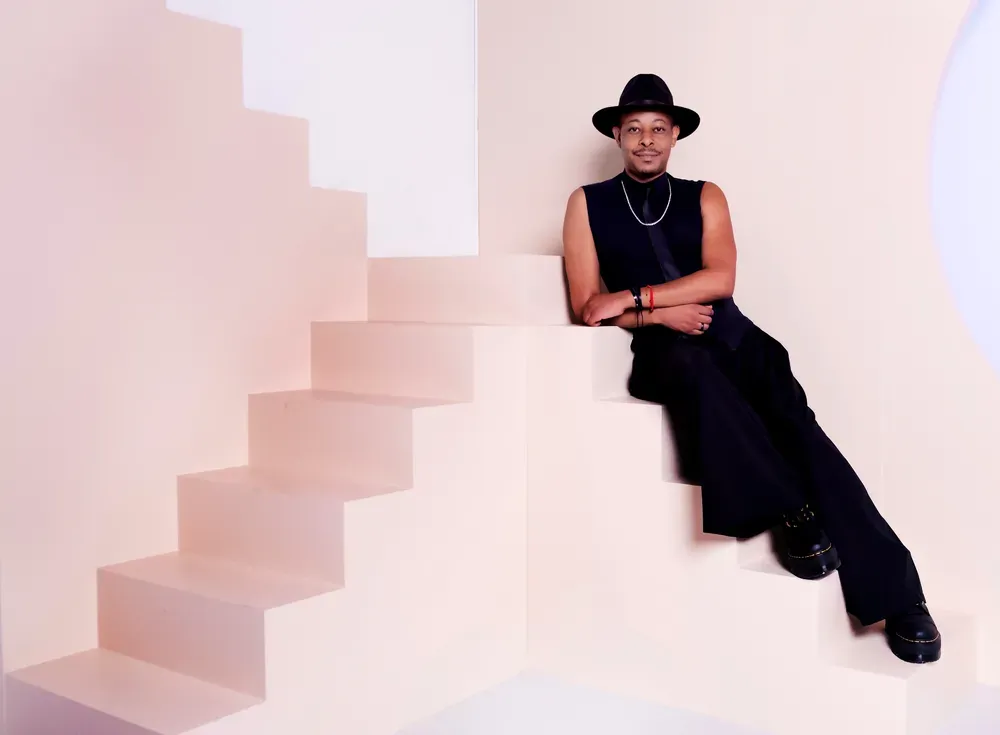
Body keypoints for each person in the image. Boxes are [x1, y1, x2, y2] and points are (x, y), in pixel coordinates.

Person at [561, 73, 941, 664]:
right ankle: (790, 509)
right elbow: (590, 307)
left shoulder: (705, 194)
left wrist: (643, 299)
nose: (646, 140)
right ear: (616, 133)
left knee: (805, 434)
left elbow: (721, 281)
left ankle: (901, 596)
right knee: (700, 378)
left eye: (658, 129)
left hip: (734, 334)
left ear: (675, 136)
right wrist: (664, 317)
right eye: (633, 128)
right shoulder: (586, 203)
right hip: (664, 350)